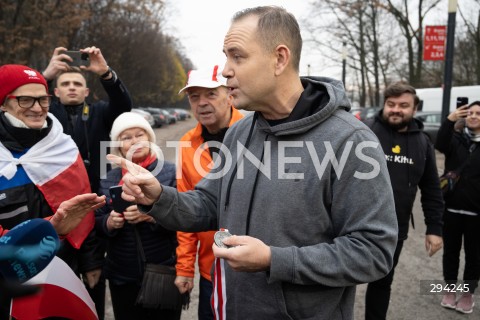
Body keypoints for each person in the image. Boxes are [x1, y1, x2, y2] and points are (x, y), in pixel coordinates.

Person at [109, 6, 398, 320]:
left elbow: (373, 251)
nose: (226, 71)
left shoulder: (352, 141)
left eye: (238, 56)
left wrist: (275, 260)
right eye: (227, 57)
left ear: (279, 58)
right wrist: (159, 197)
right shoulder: (240, 134)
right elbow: (208, 204)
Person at [0, 64, 106, 317]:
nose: (37, 108)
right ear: (4, 103)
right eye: (25, 100)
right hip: (6, 277)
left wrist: (91, 262)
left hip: (59, 268)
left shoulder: (64, 148)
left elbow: (85, 213)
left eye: (43, 99)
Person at [42, 46, 132, 318]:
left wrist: (104, 72)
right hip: (55, 212)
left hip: (97, 208)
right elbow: (21, 102)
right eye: (65, 84)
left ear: (86, 92)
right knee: (58, 289)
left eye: (77, 84)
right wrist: (45, 75)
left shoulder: (99, 112)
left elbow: (123, 106)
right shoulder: (46, 116)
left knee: (94, 283)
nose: (71, 88)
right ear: (54, 93)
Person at [363, 82, 444, 320]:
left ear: (415, 108)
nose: (396, 110)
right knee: (339, 282)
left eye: (403, 105)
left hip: (393, 229)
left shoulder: (423, 143)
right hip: (352, 225)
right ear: (384, 105)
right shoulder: (364, 132)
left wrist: (435, 228)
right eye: (391, 104)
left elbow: (431, 188)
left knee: (381, 283)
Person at [95, 112, 181, 320]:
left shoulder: (169, 172)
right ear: (118, 145)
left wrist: (151, 217)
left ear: (150, 138)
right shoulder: (109, 179)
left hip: (162, 269)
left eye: (139, 134)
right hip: (121, 274)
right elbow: (97, 219)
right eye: (126, 137)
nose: (134, 141)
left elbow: (184, 218)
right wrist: (109, 222)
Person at [174, 65, 244, 320]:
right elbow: (185, 209)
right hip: (209, 269)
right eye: (194, 96)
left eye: (210, 94)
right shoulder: (186, 144)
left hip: (252, 267)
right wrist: (184, 268)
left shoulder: (257, 132)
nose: (202, 103)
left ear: (229, 95)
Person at [435, 100, 480, 314]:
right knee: (451, 253)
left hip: (477, 213)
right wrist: (449, 120)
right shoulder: (455, 140)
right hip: (451, 209)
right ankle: (451, 289)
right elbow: (439, 144)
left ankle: (468, 293)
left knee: (475, 255)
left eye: (478, 113)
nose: (473, 116)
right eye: (470, 112)